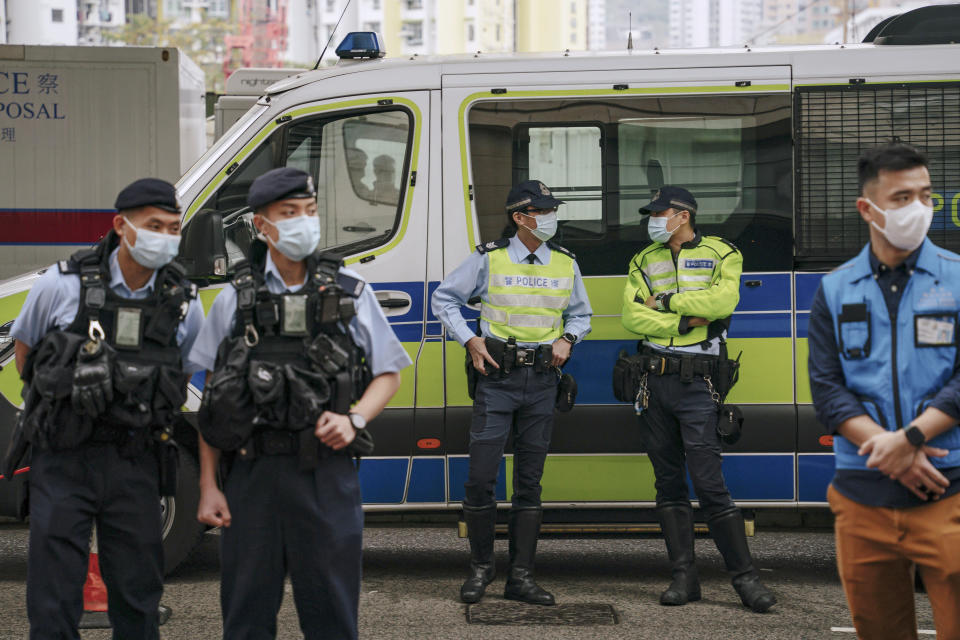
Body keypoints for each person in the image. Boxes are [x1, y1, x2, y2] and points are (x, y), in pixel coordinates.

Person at [190, 167, 411, 640]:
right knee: (246, 617)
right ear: (261, 225)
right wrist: (208, 485)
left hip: (326, 476)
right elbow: (214, 400)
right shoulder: (235, 299)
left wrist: (354, 419)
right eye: (289, 214)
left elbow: (388, 373)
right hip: (251, 478)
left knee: (331, 614)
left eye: (309, 212)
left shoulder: (348, 290)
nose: (302, 223)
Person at [9, 178, 204, 639]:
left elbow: (185, 373)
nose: (166, 236)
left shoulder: (183, 301)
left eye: (174, 227)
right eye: (154, 225)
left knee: (138, 599)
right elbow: (27, 356)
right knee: (53, 599)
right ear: (121, 225)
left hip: (135, 461)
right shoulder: (60, 284)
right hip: (64, 458)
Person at [808, 142, 960, 638]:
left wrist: (910, 439)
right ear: (867, 209)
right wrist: (888, 447)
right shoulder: (835, 288)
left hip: (947, 491)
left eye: (926, 195)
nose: (918, 208)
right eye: (902, 197)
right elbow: (827, 388)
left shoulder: (957, 278)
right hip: (862, 498)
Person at [431, 179, 592, 606]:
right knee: (481, 479)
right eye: (542, 211)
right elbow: (444, 300)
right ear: (520, 218)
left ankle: (520, 578)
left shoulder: (565, 263)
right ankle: (481, 571)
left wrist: (568, 340)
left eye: (551, 210)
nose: (550, 218)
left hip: (542, 381)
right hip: (498, 378)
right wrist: (470, 339)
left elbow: (581, 315)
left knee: (529, 483)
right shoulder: (490, 259)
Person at [620, 186, 776, 613]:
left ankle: (746, 581)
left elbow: (723, 301)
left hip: (698, 385)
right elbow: (632, 316)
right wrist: (690, 318)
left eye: (660, 212)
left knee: (710, 485)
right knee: (668, 483)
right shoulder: (643, 260)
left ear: (683, 215)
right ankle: (684, 579)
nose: (653, 219)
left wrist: (666, 302)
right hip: (653, 381)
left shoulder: (723, 253)